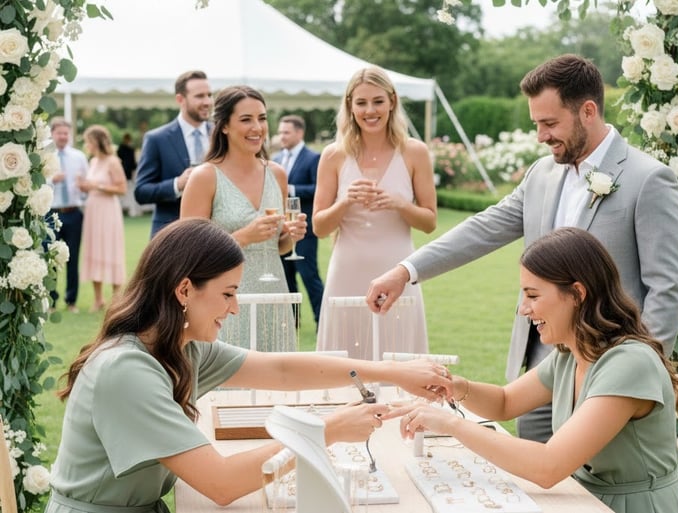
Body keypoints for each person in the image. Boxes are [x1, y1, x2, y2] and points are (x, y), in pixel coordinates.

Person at [367, 54, 678, 442]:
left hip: (608, 369)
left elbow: (667, 289)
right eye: (537, 124)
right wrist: (406, 270)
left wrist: (634, 373)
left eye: (550, 123)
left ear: (588, 111)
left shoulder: (648, 179)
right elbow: (482, 228)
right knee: (535, 484)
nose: (541, 136)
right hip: (541, 364)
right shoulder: (541, 174)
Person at [45, 218, 452, 513]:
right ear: (185, 289)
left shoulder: (178, 347)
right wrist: (327, 431)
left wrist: (393, 372)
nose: (235, 308)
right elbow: (221, 485)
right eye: (227, 293)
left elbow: (282, 371)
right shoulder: (127, 371)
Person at [390, 227, 678, 513]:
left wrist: (450, 424)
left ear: (577, 294)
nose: (523, 308)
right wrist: (455, 387)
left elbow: (548, 466)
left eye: (533, 295)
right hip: (579, 500)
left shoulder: (629, 364)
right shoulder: (572, 355)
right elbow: (506, 402)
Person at [313, 66, 437, 360]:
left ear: (392, 101)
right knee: (345, 360)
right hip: (347, 271)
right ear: (350, 106)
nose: (370, 110)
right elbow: (319, 227)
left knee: (398, 356)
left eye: (378, 101)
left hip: (397, 270)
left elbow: (430, 222)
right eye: (361, 102)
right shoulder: (334, 155)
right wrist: (345, 202)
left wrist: (399, 203)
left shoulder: (414, 152)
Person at [180, 86, 301, 352]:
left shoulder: (277, 174)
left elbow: (277, 248)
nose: (257, 127)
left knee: (278, 378)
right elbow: (187, 252)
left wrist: (290, 236)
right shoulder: (205, 177)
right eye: (246, 119)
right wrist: (245, 236)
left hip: (273, 292)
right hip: (224, 298)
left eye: (262, 118)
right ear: (223, 126)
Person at [134, 70, 212, 237]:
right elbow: (141, 191)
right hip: (171, 235)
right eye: (199, 96)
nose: (207, 101)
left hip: (215, 236)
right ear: (180, 99)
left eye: (209, 95)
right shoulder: (157, 139)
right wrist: (177, 184)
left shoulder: (222, 134)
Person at [277, 115, 325, 328]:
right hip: (282, 230)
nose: (281, 137)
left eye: (286, 132)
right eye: (280, 132)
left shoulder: (313, 158)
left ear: (299, 133)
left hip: (304, 230)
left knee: (309, 278)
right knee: (286, 281)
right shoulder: (276, 159)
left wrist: (291, 190)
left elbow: (319, 189)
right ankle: (291, 323)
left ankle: (322, 322)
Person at [79, 125, 127, 312]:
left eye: (88, 141)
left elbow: (122, 189)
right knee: (94, 247)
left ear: (96, 141)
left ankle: (116, 299)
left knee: (111, 248)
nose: (86, 144)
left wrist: (98, 186)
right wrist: (86, 186)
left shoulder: (113, 162)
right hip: (93, 208)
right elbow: (92, 185)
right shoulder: (92, 162)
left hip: (108, 210)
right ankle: (98, 298)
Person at [48, 117, 89, 313]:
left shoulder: (79, 156)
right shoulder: (45, 156)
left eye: (66, 133)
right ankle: (51, 302)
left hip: (73, 213)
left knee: (73, 258)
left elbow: (87, 183)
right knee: (51, 258)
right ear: (52, 134)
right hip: (51, 213)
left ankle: (71, 301)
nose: (63, 136)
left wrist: (83, 189)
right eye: (59, 133)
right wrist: (51, 180)